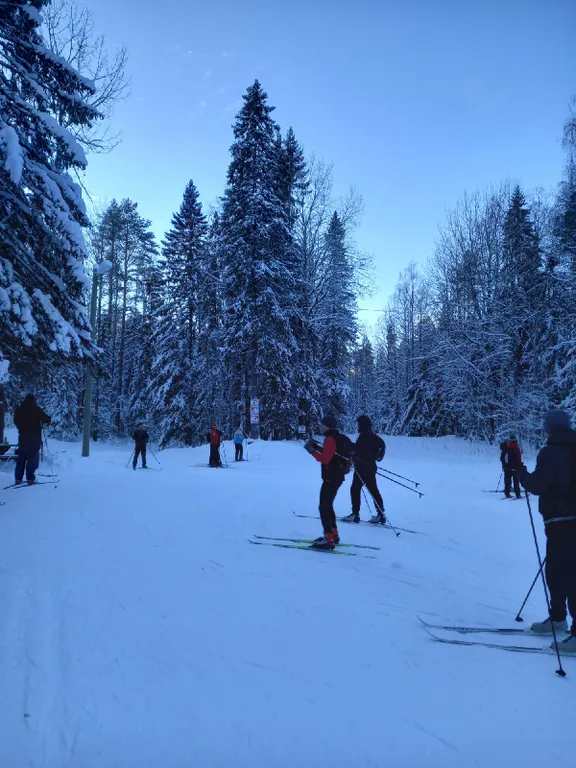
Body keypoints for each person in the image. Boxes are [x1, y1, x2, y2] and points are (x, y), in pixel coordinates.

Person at [517, 409, 576, 655]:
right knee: (557, 570)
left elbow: (538, 485)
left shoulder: (551, 452)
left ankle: (567, 625)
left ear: (549, 429)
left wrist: (521, 473)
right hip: (564, 521)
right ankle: (558, 618)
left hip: (562, 521)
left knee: (566, 574)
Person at [304, 414, 352, 550]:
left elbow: (325, 459)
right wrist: (317, 447)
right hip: (337, 477)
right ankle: (333, 535)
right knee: (328, 506)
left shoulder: (330, 439)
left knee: (323, 507)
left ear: (328, 426)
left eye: (323, 425)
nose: (321, 426)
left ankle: (328, 539)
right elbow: (332, 453)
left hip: (330, 477)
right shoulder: (339, 437)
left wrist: (311, 450)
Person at [342, 415, 386, 524]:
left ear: (362, 425)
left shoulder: (363, 437)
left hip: (362, 468)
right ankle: (380, 514)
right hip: (371, 467)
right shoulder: (375, 437)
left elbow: (357, 452)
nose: (357, 426)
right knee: (373, 490)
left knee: (355, 489)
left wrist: (349, 447)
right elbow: (381, 451)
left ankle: (355, 514)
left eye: (358, 424)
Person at [13, 394, 51, 485]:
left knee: (21, 457)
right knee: (32, 459)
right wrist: (43, 422)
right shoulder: (36, 410)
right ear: (33, 400)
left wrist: (21, 426)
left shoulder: (19, 410)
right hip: (34, 437)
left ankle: (18, 478)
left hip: (23, 437)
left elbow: (15, 421)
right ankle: (30, 479)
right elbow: (47, 419)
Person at [500, 433, 522, 499]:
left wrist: (504, 465)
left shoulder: (506, 448)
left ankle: (507, 494)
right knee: (516, 482)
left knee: (507, 482)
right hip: (515, 468)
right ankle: (517, 494)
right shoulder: (516, 448)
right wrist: (519, 465)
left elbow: (501, 458)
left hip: (507, 468)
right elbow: (519, 459)